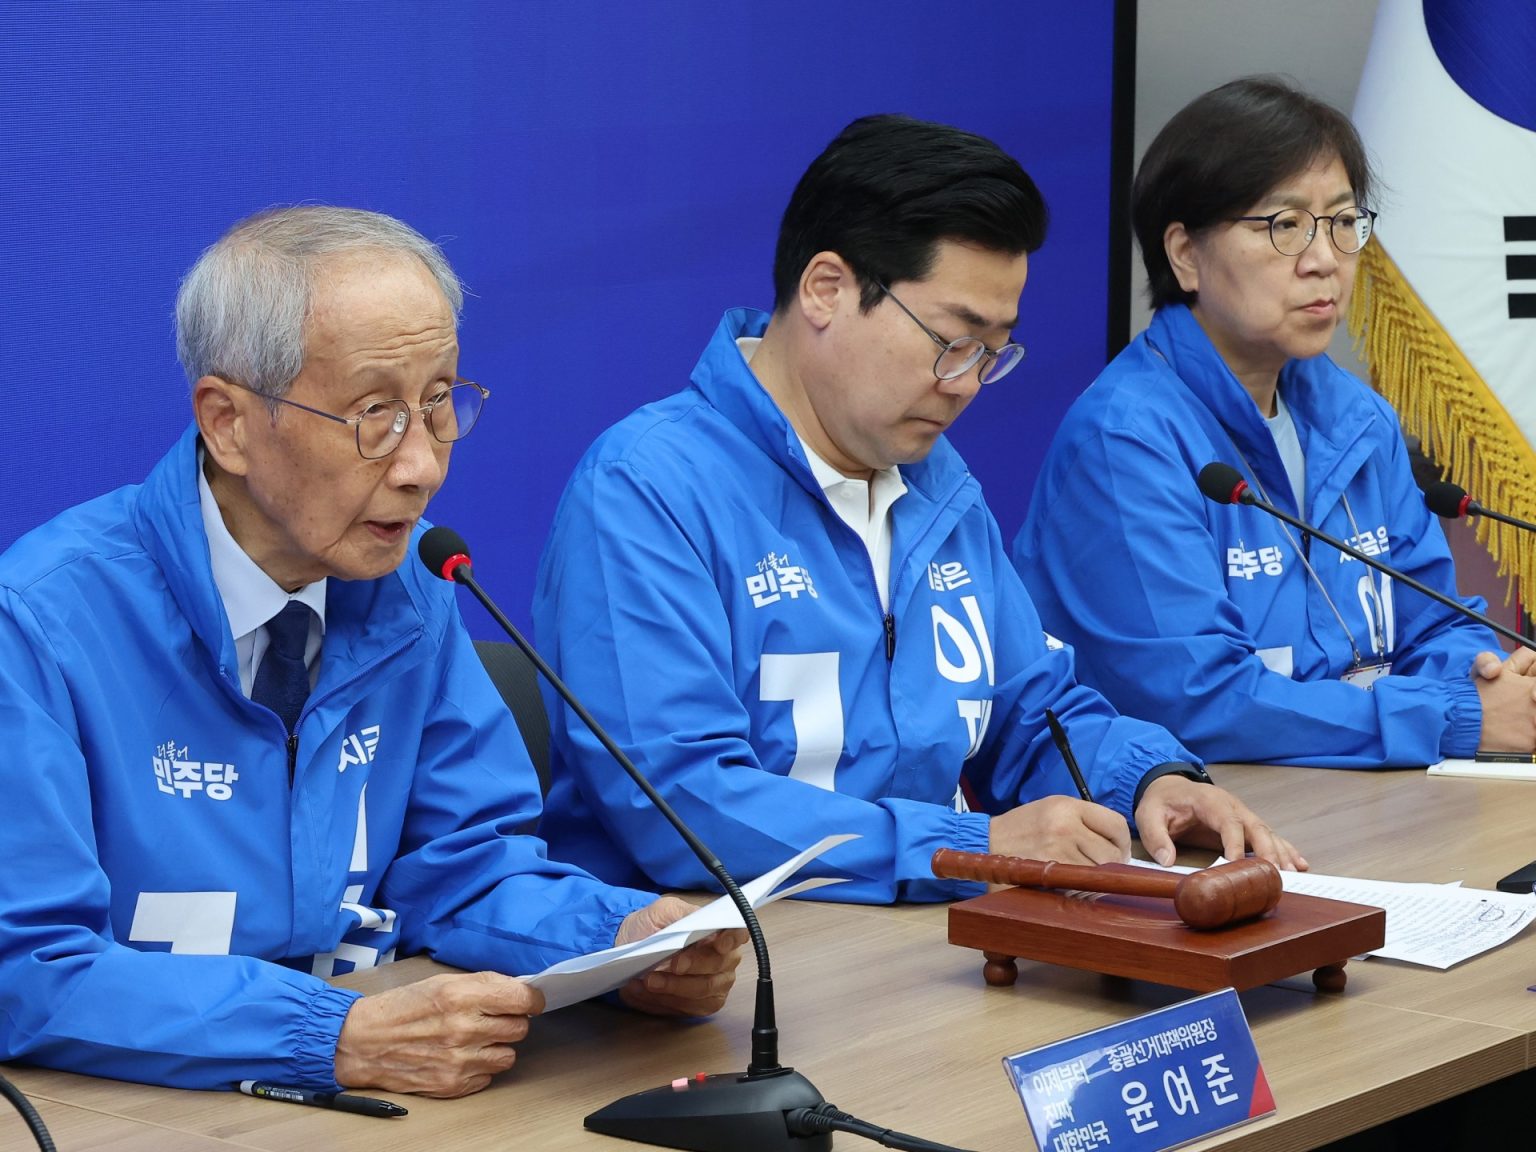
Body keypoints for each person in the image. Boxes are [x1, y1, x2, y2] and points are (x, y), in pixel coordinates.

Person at [0, 206, 743, 1098]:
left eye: (439, 403)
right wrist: (330, 1035)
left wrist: (622, 942)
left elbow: (465, 871)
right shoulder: (40, 623)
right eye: (375, 413)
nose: (422, 465)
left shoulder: (413, 587)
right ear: (229, 423)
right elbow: (28, 969)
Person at [534, 114, 1302, 906]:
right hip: (724, 957)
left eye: (993, 351)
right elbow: (681, 803)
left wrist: (1150, 780)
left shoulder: (936, 486)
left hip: (920, 939)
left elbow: (1034, 714)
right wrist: (964, 847)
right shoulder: (646, 488)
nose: (967, 384)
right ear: (826, 290)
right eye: (951, 340)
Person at [1015, 77, 1536, 769]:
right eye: (1285, 226)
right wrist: (1453, 716)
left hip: (1366, 798)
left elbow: (1435, 621)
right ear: (1185, 254)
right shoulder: (1127, 440)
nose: (1324, 261)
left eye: (1344, 222)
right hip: (1192, 816)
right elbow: (1202, 700)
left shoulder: (1359, 421)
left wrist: (1490, 683)